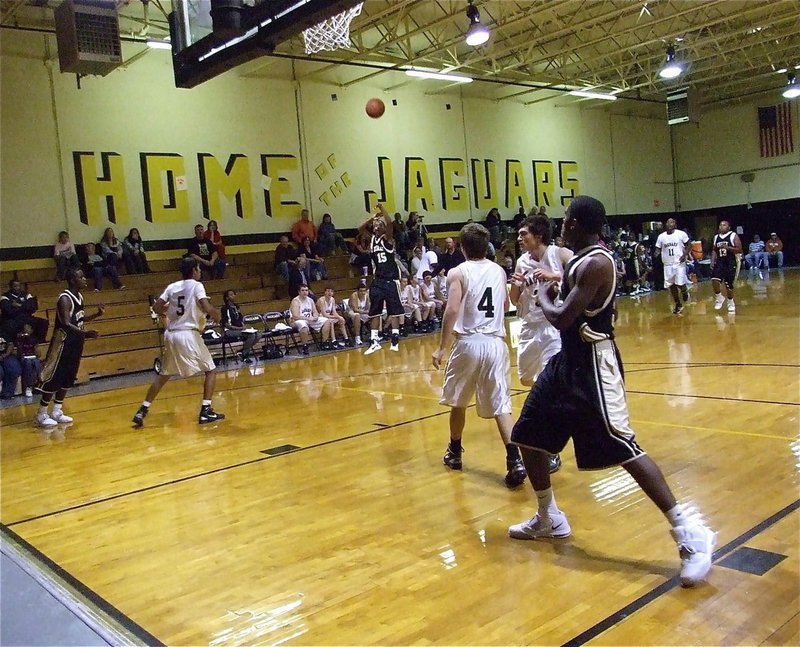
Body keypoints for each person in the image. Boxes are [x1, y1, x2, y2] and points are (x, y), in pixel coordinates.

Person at [507, 195, 715, 588]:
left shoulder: (598, 262)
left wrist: (545, 296)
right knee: (528, 436)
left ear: (577, 224)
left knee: (625, 447)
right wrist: (550, 284)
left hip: (593, 364)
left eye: (567, 219)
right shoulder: (578, 259)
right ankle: (548, 516)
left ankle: (690, 534)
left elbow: (564, 318)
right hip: (566, 363)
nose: (562, 223)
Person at [431, 222, 526, 489]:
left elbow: (451, 310)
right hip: (496, 342)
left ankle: (454, 452)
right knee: (501, 405)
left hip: (469, 342)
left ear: (461, 247)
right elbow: (505, 305)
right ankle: (514, 459)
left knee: (458, 401)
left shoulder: (457, 272)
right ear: (487, 247)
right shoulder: (498, 271)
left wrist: (441, 346)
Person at [509, 215, 573, 473]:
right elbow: (514, 301)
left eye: (524, 233)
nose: (519, 238)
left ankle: (551, 449)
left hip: (552, 328)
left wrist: (554, 276)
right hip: (528, 327)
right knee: (528, 380)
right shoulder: (522, 261)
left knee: (548, 387)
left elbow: (581, 272)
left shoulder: (560, 253)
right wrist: (516, 286)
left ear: (539, 235)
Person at [132, 258, 225, 426]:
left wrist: (171, 310)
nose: (200, 271)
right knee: (211, 370)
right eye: (198, 268)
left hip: (171, 334)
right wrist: (215, 314)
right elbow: (204, 304)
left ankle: (143, 409)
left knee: (164, 375)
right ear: (194, 270)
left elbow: (156, 308)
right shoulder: (197, 285)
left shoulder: (172, 287)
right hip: (187, 334)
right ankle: (206, 411)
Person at [35, 269, 104, 427]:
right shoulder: (64, 299)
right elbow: (66, 323)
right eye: (80, 276)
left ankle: (57, 410)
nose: (84, 278)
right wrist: (86, 334)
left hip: (75, 343)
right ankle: (41, 413)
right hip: (62, 343)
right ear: (72, 280)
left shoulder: (79, 296)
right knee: (55, 378)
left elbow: (78, 319)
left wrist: (96, 315)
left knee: (68, 377)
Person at [363, 205, 404, 355]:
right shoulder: (372, 239)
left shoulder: (388, 239)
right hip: (378, 280)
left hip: (391, 280)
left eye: (378, 224)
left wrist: (383, 210)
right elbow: (360, 229)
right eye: (374, 225)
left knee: (394, 311)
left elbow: (390, 224)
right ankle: (374, 341)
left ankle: (395, 338)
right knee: (375, 311)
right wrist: (372, 217)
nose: (375, 226)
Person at [655, 218, 691, 314]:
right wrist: (656, 253)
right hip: (667, 264)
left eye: (671, 222)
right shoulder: (661, 237)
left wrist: (685, 255)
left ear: (675, 224)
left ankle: (684, 290)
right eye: (667, 222)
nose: (669, 224)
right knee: (671, 285)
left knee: (679, 283)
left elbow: (689, 245)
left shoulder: (681, 234)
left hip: (679, 263)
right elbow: (658, 248)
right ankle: (678, 304)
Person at [290, 285, 332, 355]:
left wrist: (315, 316)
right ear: (299, 292)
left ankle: (324, 343)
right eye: (302, 290)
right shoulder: (295, 301)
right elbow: (295, 316)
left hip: (309, 319)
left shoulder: (310, 300)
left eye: (306, 290)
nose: (305, 292)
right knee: (303, 325)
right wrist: (309, 318)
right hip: (296, 321)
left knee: (327, 321)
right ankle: (305, 346)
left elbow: (315, 312)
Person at [710, 220, 742, 313]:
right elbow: (714, 250)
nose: (721, 227)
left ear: (729, 227)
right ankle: (719, 297)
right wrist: (712, 261)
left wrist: (728, 248)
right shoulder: (716, 237)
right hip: (720, 262)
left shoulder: (733, 235)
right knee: (714, 280)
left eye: (724, 225)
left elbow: (739, 249)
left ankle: (730, 301)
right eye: (720, 225)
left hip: (731, 262)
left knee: (729, 285)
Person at [220, 290, 258, 363]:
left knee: (258, 334)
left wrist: (244, 327)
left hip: (239, 329)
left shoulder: (236, 307)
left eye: (234, 294)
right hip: (229, 331)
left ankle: (241, 351)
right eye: (231, 295)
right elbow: (226, 324)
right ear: (227, 298)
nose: (233, 296)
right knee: (251, 335)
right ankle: (245, 355)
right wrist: (240, 328)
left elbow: (240, 319)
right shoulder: (225, 309)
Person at [16, 323, 42, 398]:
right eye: (25, 328)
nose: (26, 330)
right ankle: (29, 386)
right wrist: (22, 339)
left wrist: (35, 347)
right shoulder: (20, 338)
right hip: (23, 357)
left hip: (33, 357)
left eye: (28, 328)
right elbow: (19, 353)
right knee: (27, 363)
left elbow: (38, 354)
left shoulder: (34, 339)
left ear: (31, 330)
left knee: (36, 362)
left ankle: (39, 383)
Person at [0, 334, 21, 399]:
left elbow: (11, 344)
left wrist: (6, 354)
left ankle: (7, 394)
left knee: (13, 368)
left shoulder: (4, 329)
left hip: (5, 355)